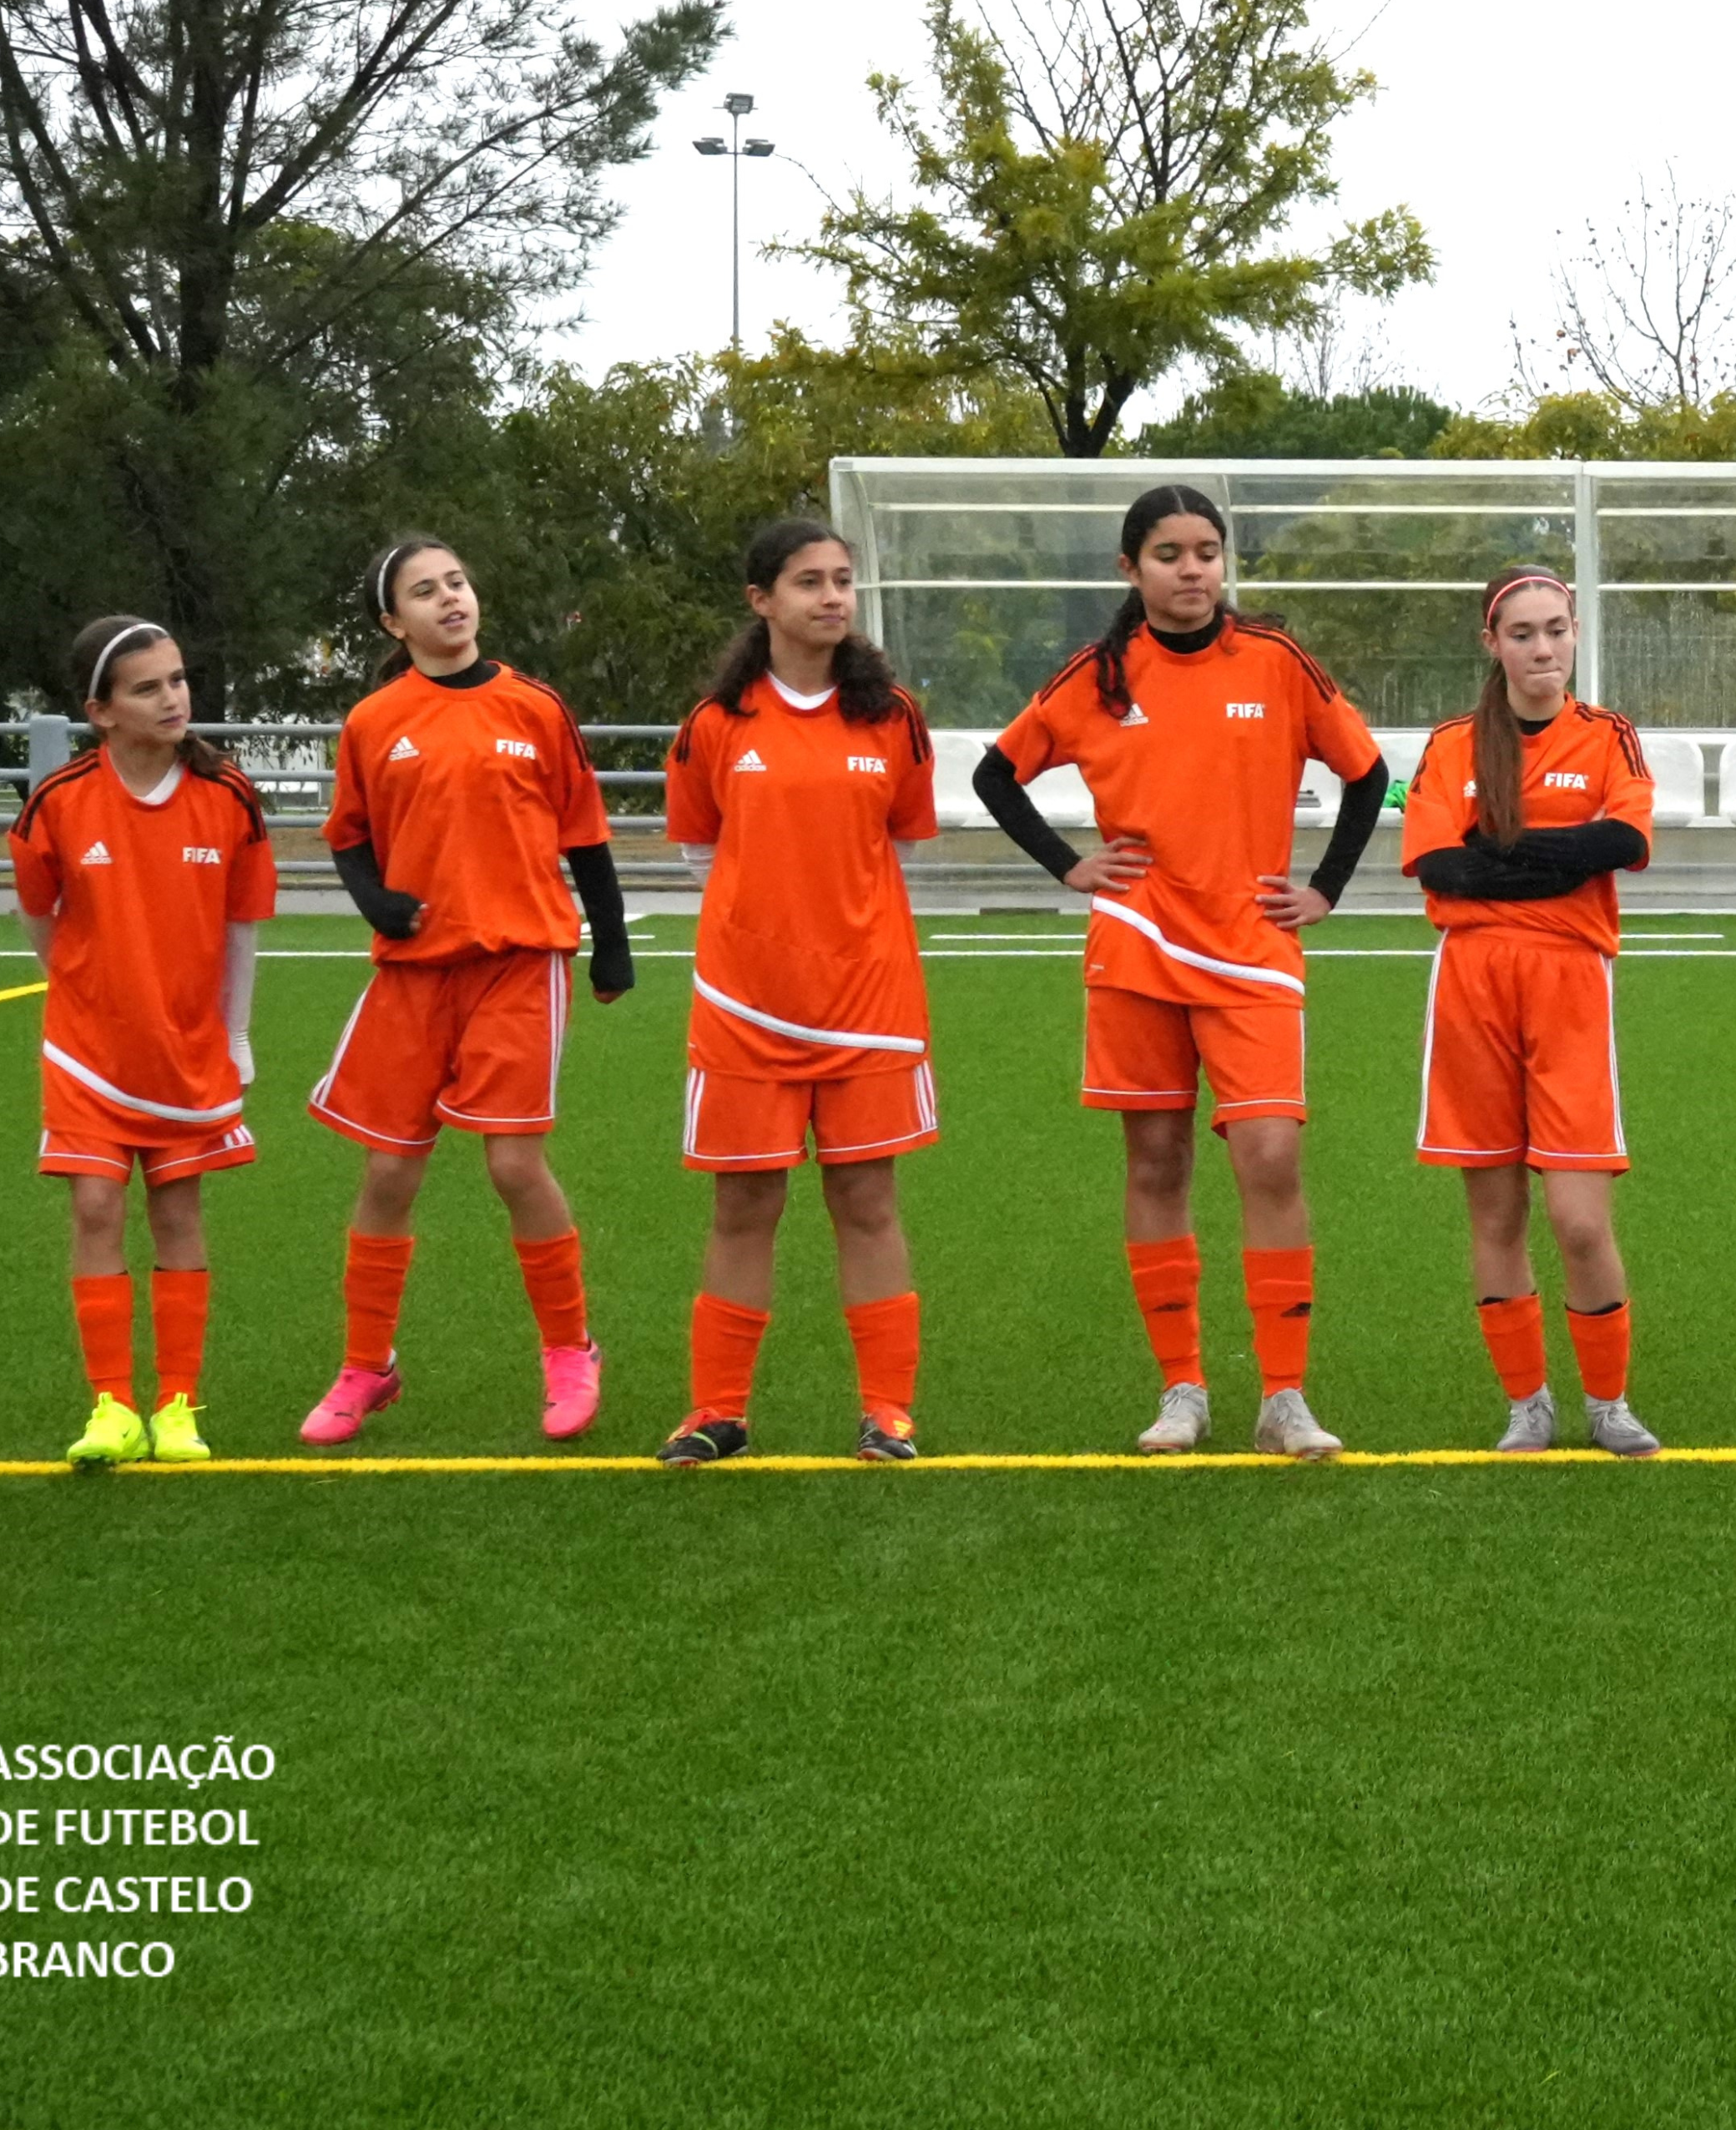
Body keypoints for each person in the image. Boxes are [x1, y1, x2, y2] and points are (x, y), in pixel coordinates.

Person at [976, 484, 1390, 1459]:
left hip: (1251, 948)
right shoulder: (1099, 675)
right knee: (1156, 1164)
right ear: (1130, 569)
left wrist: (1324, 886)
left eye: (1207, 550)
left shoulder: (1277, 661)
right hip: (1136, 949)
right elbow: (997, 773)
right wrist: (1070, 864)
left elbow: (1367, 772)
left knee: (1270, 1157)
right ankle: (1182, 1389)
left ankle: (1284, 1397)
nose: (1193, 569)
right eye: (1169, 553)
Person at [300, 537, 634, 1446]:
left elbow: (586, 833)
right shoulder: (374, 720)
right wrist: (378, 899)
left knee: (513, 1165)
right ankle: (367, 1366)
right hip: (414, 974)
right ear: (391, 621)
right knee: (387, 1171)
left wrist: (611, 943)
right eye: (424, 590)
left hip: (519, 962)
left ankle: (571, 1351)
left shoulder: (533, 706)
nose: (448, 597)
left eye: (455, 580)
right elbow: (347, 835)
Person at [655, 519, 941, 1467]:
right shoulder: (714, 724)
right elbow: (704, 855)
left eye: (842, 580)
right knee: (744, 1207)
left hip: (870, 1008)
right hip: (745, 1012)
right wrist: (768, 937)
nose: (830, 596)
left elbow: (892, 851)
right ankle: (717, 1412)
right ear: (760, 601)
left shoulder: (892, 717)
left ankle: (887, 1413)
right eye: (808, 581)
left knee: (866, 1202)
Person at [1400, 565, 1662, 1457]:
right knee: (1496, 1215)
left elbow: (1621, 840)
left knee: (1580, 1219)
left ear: (1576, 632)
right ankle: (1528, 1404)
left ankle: (1608, 1402)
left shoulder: (1608, 737)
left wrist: (1502, 847)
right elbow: (1442, 867)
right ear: (1492, 643)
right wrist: (1554, 857)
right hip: (1469, 980)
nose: (1541, 648)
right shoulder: (1450, 746)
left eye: (1555, 629)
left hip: (1569, 981)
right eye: (1522, 633)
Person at [8, 618, 276, 1469]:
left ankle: (177, 1405)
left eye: (177, 679)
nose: (173, 697)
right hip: (88, 1051)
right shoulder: (58, 803)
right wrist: (94, 992)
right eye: (148, 686)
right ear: (101, 710)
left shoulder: (228, 795)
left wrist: (234, 1033)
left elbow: (241, 930)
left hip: (186, 1052)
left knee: (176, 1211)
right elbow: (39, 922)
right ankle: (113, 1405)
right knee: (93, 1207)